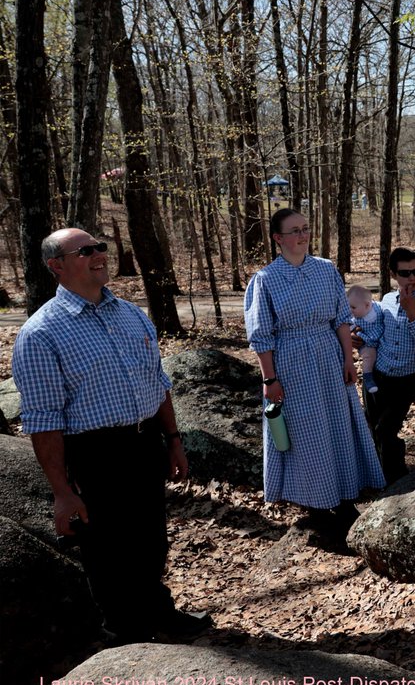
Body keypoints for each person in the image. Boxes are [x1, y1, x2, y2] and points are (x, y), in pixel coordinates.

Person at [12, 228, 212, 644]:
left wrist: (173, 439)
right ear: (57, 266)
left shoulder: (131, 314)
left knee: (151, 540)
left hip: (144, 443)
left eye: (101, 246)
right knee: (107, 552)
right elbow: (43, 421)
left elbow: (157, 383)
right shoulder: (41, 333)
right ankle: (126, 636)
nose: (100, 254)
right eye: (85, 250)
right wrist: (62, 492)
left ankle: (159, 612)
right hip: (93, 454)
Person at [244, 209, 385, 531]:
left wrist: (348, 360)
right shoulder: (265, 280)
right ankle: (317, 504)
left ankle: (346, 498)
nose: (302, 235)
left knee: (337, 426)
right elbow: (261, 335)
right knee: (307, 434)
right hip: (291, 362)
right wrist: (270, 379)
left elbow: (340, 319)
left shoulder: (326, 270)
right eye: (294, 231)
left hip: (329, 356)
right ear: (278, 238)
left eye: (305, 228)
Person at [361, 247, 415, 484]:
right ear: (393, 274)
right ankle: (376, 478)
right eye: (405, 273)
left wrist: (412, 313)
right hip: (377, 377)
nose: (412, 277)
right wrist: (360, 340)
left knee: (386, 430)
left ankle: (397, 480)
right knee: (372, 428)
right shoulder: (385, 301)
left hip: (404, 382)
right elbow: (376, 334)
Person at [347, 284, 382, 394]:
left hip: (382, 339)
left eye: (353, 307)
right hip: (367, 342)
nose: (350, 310)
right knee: (368, 355)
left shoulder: (379, 309)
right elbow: (348, 328)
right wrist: (351, 333)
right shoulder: (354, 319)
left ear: (367, 305)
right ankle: (367, 377)